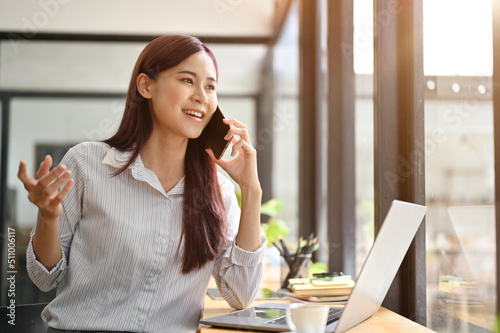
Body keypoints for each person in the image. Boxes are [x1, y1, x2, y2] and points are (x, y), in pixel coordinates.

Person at [17, 35, 265, 333]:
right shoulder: (87, 164)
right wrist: (48, 217)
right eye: (188, 80)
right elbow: (43, 278)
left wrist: (251, 191)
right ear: (146, 86)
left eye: (210, 86)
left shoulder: (219, 193)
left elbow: (240, 295)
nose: (202, 96)